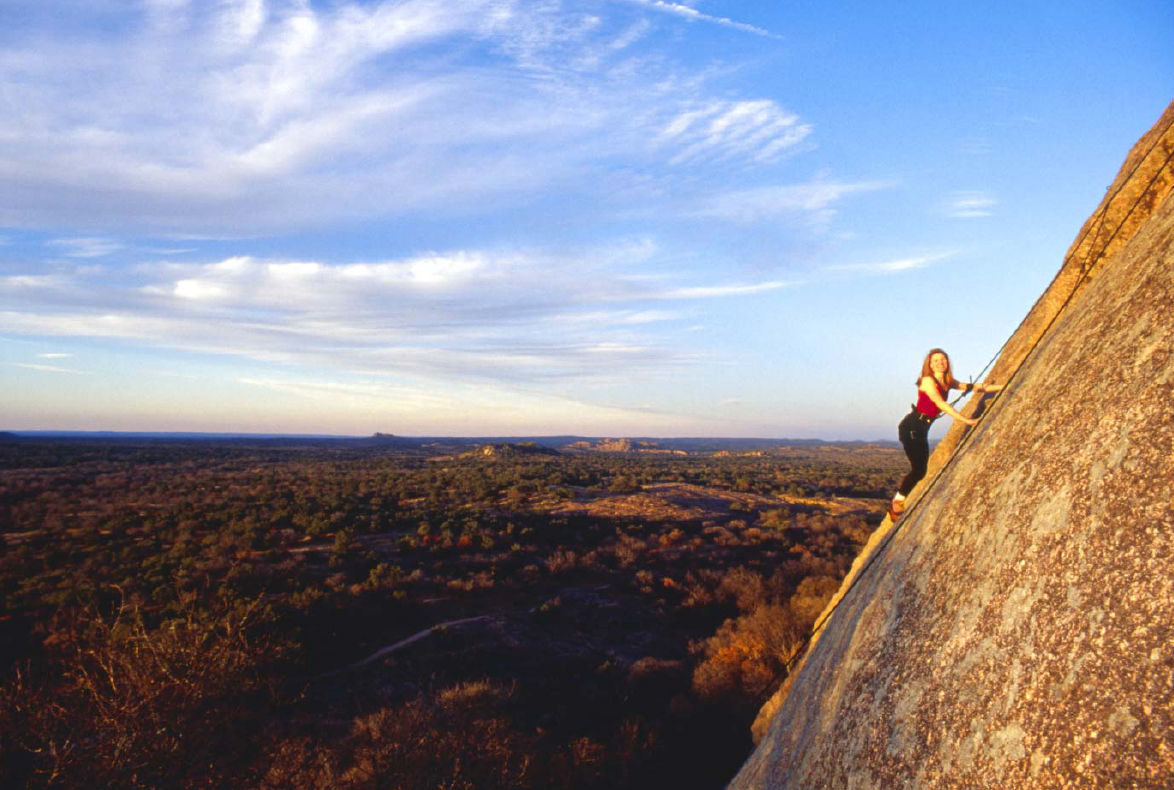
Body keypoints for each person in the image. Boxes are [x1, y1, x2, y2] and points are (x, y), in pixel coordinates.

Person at [889, 348, 1002, 521]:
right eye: (935, 360)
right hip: (911, 428)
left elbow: (974, 387)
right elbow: (940, 403)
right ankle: (897, 503)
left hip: (921, 428)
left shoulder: (948, 381)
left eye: (943, 359)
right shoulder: (927, 381)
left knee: (921, 470)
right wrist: (965, 420)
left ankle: (898, 502)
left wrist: (1003, 386)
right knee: (919, 470)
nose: (940, 363)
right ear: (929, 364)